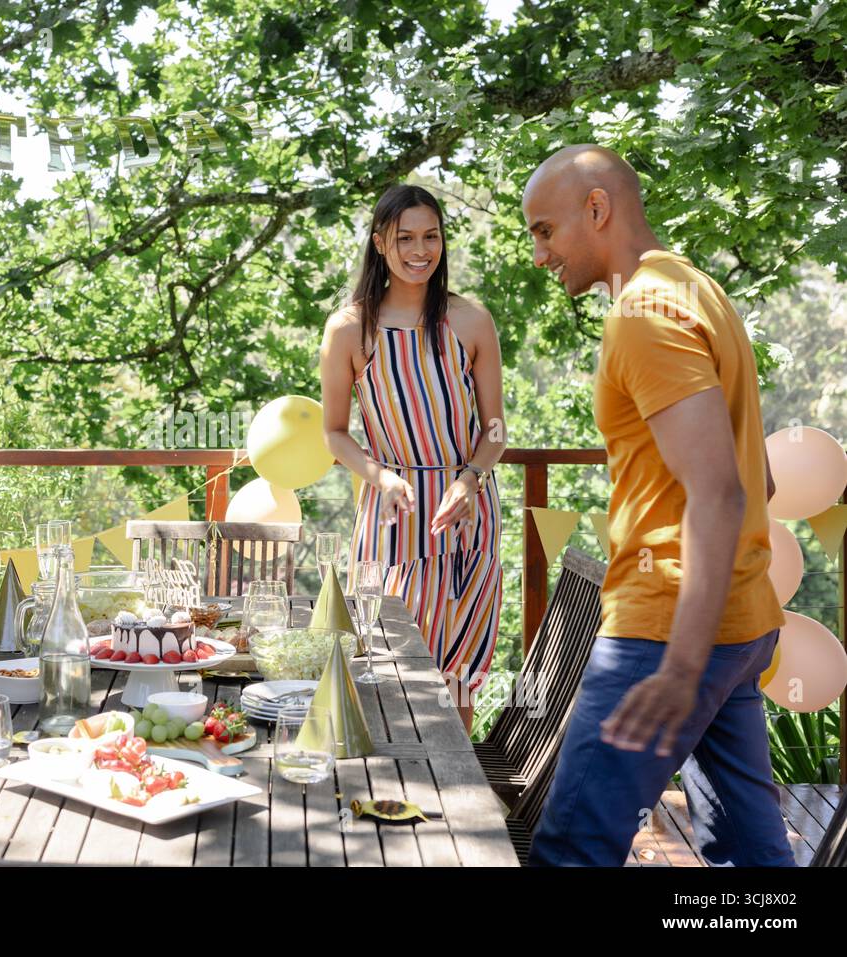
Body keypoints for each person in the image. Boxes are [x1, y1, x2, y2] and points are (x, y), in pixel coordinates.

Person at [522, 144, 793, 866]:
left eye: (544, 230)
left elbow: (722, 489)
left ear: (598, 209)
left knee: (571, 847)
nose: (540, 254)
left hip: (666, 630)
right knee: (748, 855)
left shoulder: (643, 312)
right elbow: (757, 481)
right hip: (737, 622)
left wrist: (678, 666)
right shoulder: (700, 290)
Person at [320, 184, 507, 732]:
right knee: (386, 663)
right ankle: (386, 789)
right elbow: (335, 433)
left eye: (431, 236)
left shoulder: (471, 322)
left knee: (459, 671)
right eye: (405, 238)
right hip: (391, 515)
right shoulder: (349, 328)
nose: (420, 250)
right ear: (380, 242)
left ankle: (456, 799)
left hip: (468, 511)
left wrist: (471, 478)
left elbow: (494, 429)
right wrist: (380, 477)